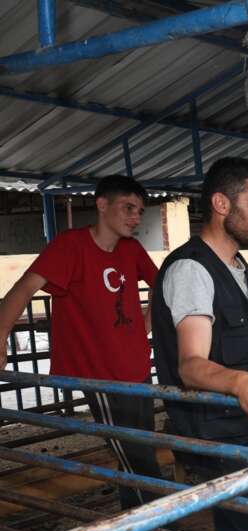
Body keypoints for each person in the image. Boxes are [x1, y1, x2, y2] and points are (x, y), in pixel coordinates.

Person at [149, 157, 248, 531]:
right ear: (222, 204)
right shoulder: (193, 269)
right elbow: (191, 365)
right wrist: (244, 383)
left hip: (243, 425)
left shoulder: (238, 266)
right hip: (215, 432)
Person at [0, 175, 163, 510]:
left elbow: (165, 285)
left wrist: (145, 325)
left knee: (139, 449)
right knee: (136, 456)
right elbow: (23, 288)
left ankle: (137, 520)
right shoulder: (70, 245)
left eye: (140, 211)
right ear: (102, 205)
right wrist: (0, 338)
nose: (135, 217)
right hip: (101, 373)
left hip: (137, 366)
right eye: (128, 208)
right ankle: (164, 523)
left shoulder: (131, 249)